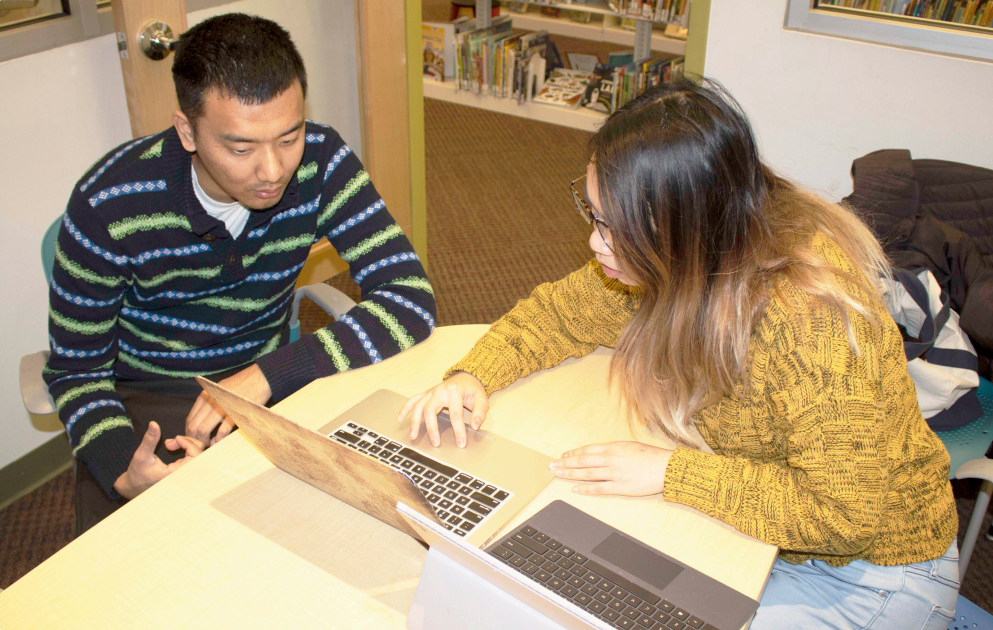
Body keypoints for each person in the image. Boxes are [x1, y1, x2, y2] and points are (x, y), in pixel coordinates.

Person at [399, 79, 960, 628]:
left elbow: (844, 515)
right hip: (771, 540)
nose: (597, 243)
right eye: (595, 215)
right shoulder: (686, 255)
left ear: (689, 224)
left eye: (616, 226)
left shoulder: (807, 320)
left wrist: (671, 473)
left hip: (875, 577)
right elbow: (558, 314)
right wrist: (474, 373)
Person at [44, 13, 436, 534]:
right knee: (141, 562)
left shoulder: (321, 159)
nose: (273, 171)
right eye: (240, 148)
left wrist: (268, 376)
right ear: (187, 130)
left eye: (288, 136)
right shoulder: (108, 203)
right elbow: (76, 371)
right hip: (149, 392)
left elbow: (408, 296)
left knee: (346, 527)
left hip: (269, 374)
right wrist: (123, 471)